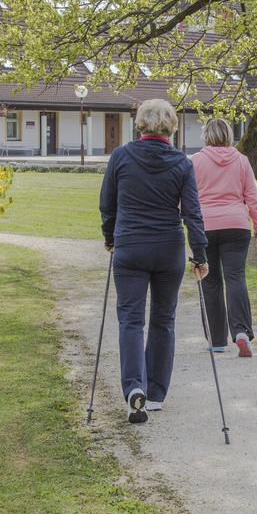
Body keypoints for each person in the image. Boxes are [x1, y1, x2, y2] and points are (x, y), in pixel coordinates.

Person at [100, 99, 209, 424]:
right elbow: (192, 213)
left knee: (131, 320)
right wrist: (200, 255)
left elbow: (107, 203)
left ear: (140, 125)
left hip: (130, 246)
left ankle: (135, 387)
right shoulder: (181, 163)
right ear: (171, 127)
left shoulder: (121, 156)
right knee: (164, 320)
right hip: (167, 248)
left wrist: (110, 237)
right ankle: (157, 392)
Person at [192, 119, 257, 357]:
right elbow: (253, 197)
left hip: (205, 226)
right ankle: (242, 331)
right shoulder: (241, 161)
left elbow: (186, 196)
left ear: (206, 136)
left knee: (210, 281)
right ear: (228, 135)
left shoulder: (195, 161)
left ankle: (216, 339)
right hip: (236, 225)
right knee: (236, 277)